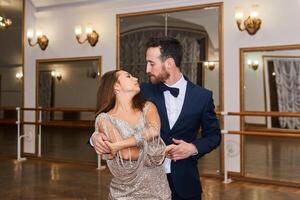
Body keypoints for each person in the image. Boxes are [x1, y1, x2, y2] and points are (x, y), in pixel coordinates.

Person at [91, 37, 221, 200]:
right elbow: (110, 113)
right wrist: (94, 137)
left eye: (151, 63)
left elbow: (214, 136)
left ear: (169, 63)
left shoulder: (202, 96)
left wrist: (192, 148)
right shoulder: (142, 91)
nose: (147, 69)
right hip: (141, 182)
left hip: (185, 181)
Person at [94, 69, 173, 200]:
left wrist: (119, 144)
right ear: (116, 86)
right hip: (125, 193)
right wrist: (161, 152)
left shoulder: (148, 107)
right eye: (128, 76)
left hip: (158, 190)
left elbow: (153, 131)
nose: (136, 78)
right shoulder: (104, 119)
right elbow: (126, 154)